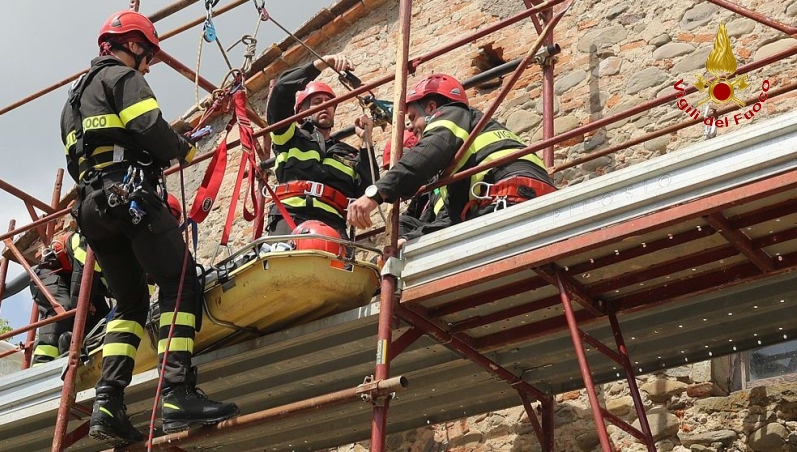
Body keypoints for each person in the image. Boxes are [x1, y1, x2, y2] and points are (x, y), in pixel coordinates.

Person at [60, 10, 238, 446]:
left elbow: (78, 160)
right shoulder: (123, 79)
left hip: (94, 211)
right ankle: (176, 392)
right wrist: (179, 146)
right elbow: (149, 129)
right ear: (134, 46)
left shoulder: (71, 102)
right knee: (180, 281)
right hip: (132, 198)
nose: (147, 65)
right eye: (147, 55)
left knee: (129, 302)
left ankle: (109, 402)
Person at [347, 73, 555, 237]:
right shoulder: (462, 155)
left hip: (509, 194)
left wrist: (376, 193)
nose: (411, 128)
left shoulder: (453, 113)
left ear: (431, 108)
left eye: (413, 118)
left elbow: (430, 151)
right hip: (519, 194)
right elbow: (446, 217)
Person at [265, 53, 377, 238]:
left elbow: (368, 191)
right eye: (317, 102)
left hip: (334, 226)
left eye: (329, 103)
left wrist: (366, 142)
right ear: (301, 112)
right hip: (291, 219)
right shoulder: (289, 137)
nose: (324, 106)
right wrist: (324, 63)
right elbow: (281, 91)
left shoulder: (347, 153)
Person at [30, 231, 110, 366]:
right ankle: (42, 365)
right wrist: (83, 306)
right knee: (62, 310)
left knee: (102, 317)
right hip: (50, 273)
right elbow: (80, 287)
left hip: (81, 279)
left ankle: (74, 349)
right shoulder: (86, 241)